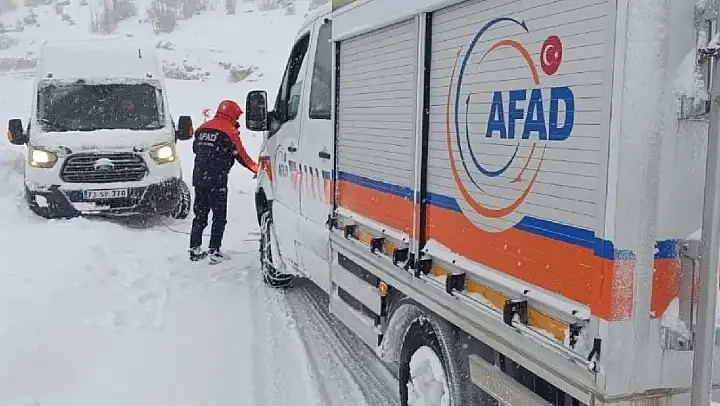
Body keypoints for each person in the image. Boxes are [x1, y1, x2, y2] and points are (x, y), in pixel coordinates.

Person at [189, 99, 258, 263]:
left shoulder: (202, 129)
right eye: (237, 116)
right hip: (217, 180)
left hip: (199, 178)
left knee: (200, 215)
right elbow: (242, 156)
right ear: (232, 114)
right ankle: (214, 250)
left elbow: (195, 149)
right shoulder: (229, 131)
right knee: (219, 216)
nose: (237, 120)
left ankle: (194, 249)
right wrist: (257, 169)